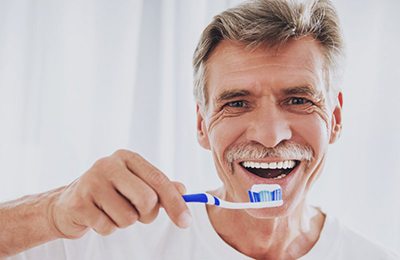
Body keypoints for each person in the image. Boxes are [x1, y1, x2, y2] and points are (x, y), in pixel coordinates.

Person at [1, 0, 398, 259]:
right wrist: (50, 213)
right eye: (236, 103)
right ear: (201, 124)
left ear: (336, 118)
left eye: (298, 99)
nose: (270, 135)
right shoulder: (111, 239)